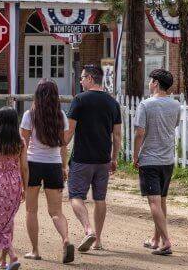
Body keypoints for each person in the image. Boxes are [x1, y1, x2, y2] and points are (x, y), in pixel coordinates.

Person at [64, 64, 122, 252]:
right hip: (103, 159)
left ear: (90, 78)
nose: (80, 81)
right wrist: (114, 158)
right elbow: (117, 135)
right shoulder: (112, 103)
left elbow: (70, 131)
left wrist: (59, 146)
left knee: (75, 196)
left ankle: (88, 229)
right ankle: (98, 239)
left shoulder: (79, 100)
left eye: (82, 78)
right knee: (100, 198)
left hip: (82, 158)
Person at [19, 80, 75, 264]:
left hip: (33, 164)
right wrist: (63, 166)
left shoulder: (30, 115)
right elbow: (63, 145)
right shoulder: (61, 116)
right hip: (53, 165)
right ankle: (66, 239)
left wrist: (21, 169)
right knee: (56, 211)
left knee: (31, 210)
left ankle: (35, 250)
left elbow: (23, 145)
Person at [133, 68, 180, 256]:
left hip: (150, 159)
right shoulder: (176, 105)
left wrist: (135, 155)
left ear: (156, 83)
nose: (149, 83)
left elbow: (140, 133)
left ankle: (166, 241)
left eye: (150, 80)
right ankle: (155, 239)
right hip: (167, 159)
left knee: (153, 202)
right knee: (161, 200)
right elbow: (174, 125)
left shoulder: (146, 105)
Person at [0, 107, 28, 270]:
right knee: (7, 222)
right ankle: (2, 261)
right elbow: (24, 167)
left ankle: (13, 256)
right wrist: (25, 187)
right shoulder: (20, 142)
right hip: (15, 183)